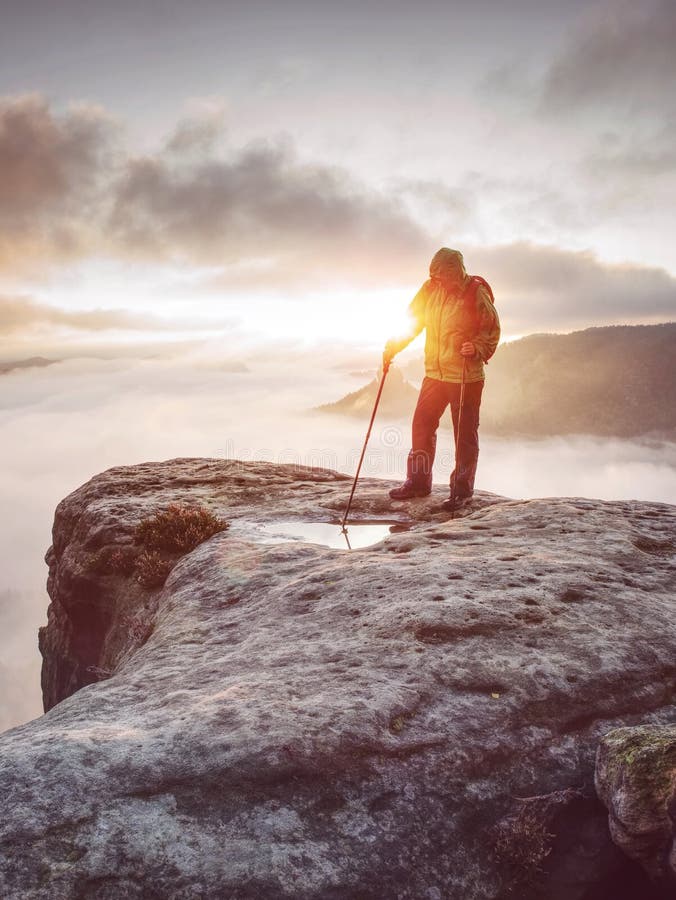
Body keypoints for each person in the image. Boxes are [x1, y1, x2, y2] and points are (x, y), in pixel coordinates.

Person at [383, 248, 500, 510]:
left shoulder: (474, 292)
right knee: (422, 426)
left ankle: (461, 491)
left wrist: (477, 348)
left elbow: (491, 329)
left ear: (454, 272)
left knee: (464, 437)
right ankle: (418, 483)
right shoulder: (430, 289)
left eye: (442, 276)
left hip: (465, 377)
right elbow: (413, 322)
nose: (437, 281)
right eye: (434, 276)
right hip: (434, 374)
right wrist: (393, 347)